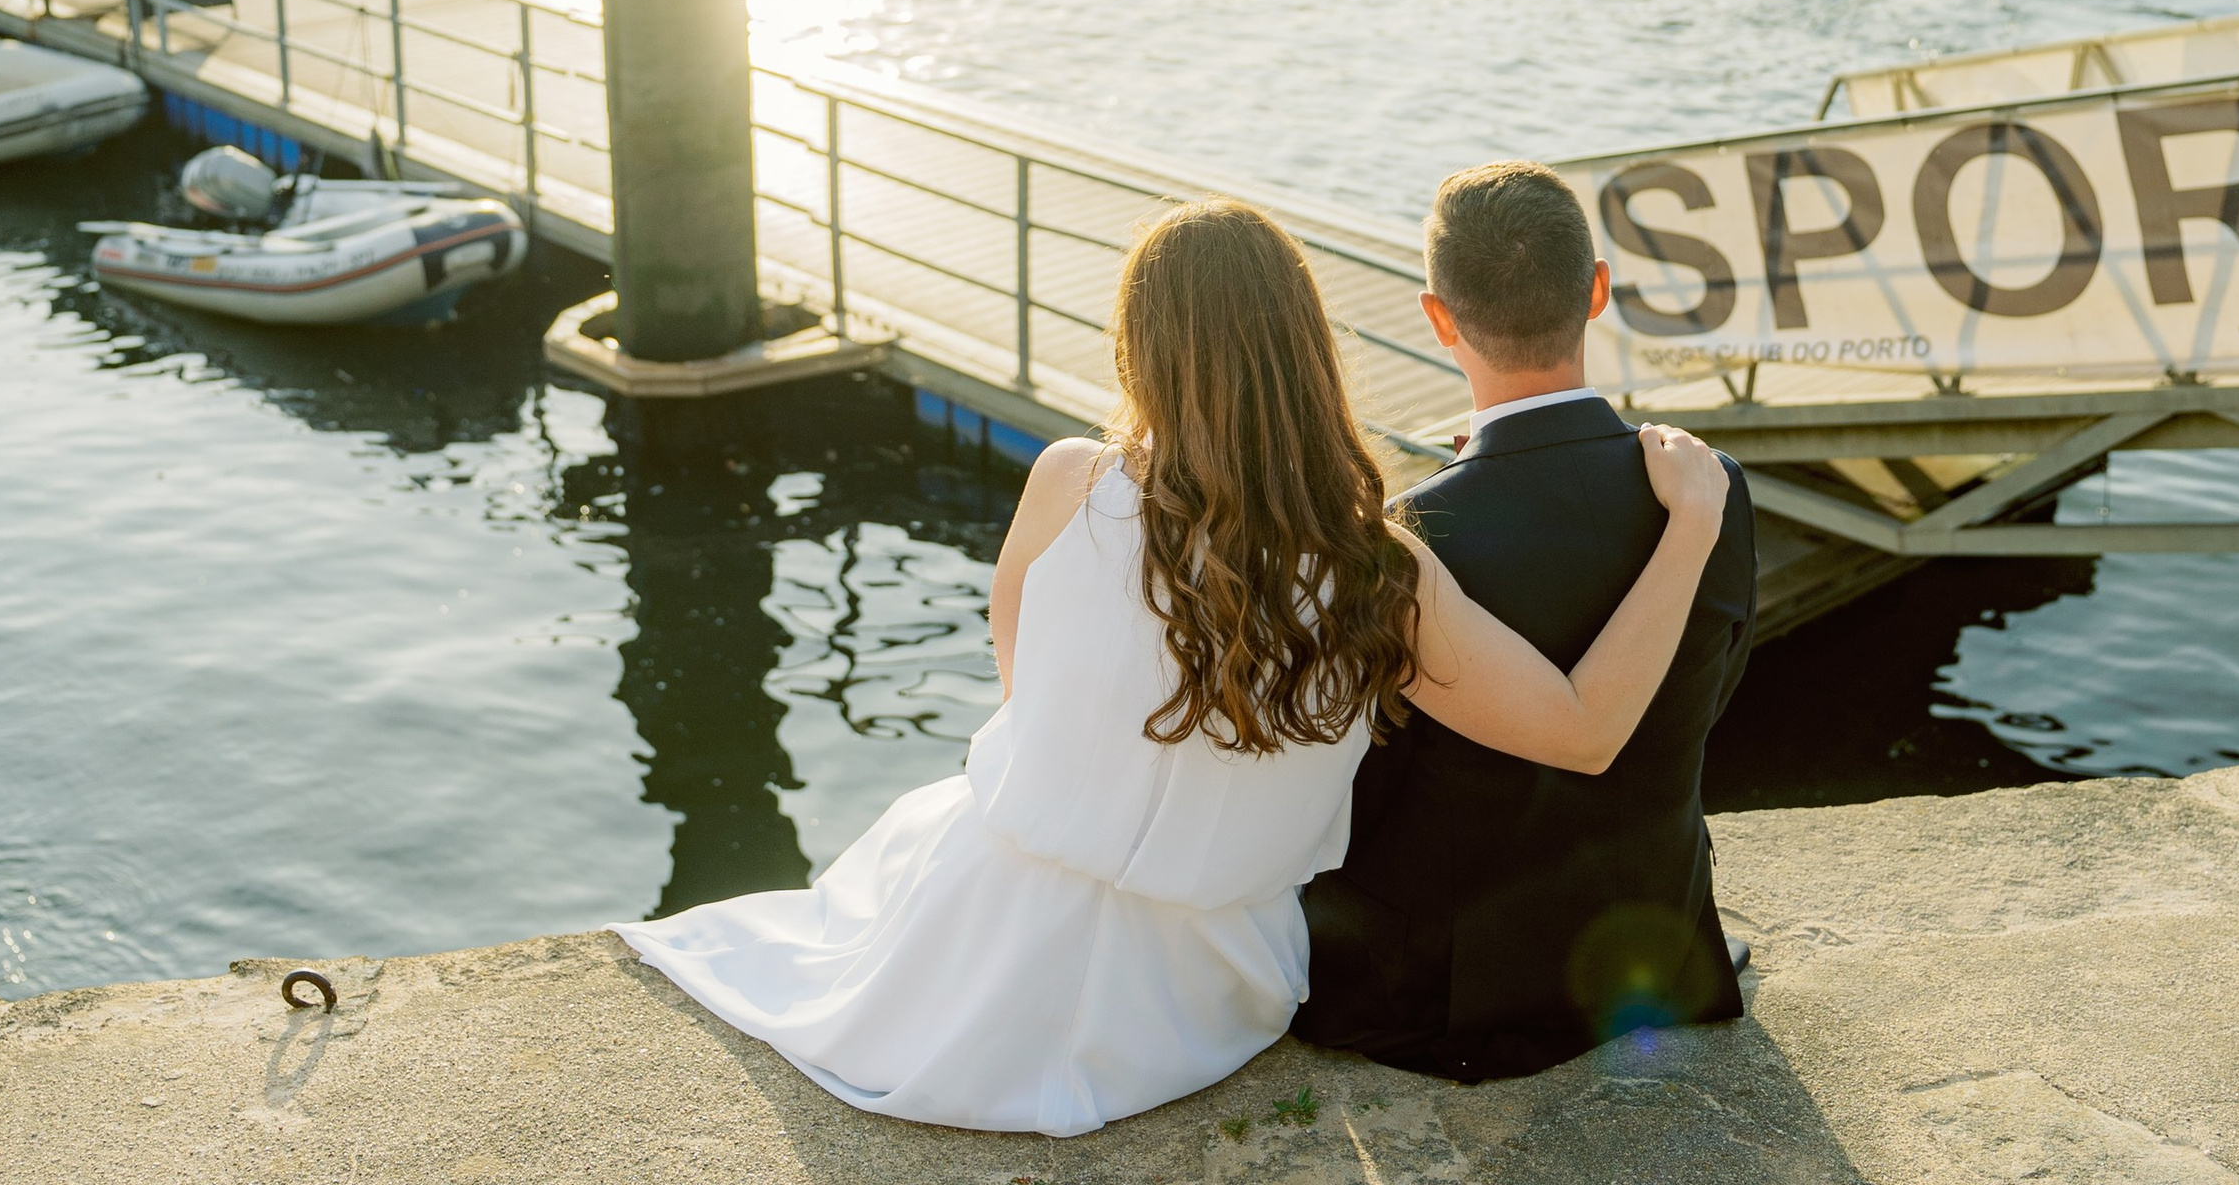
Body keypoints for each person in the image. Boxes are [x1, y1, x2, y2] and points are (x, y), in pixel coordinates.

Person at [616, 195, 1730, 1137]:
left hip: (973, 944)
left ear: (1137, 350)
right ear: (1308, 349)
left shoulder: (1068, 481)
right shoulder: (1380, 569)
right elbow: (1586, 731)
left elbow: (1026, 693)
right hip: (1199, 999)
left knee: (883, 867)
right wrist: (1690, 525)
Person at [1296, 159, 1758, 1084]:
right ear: (1597, 291)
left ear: (1439, 317)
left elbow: (1369, 773)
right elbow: (1703, 697)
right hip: (1659, 946)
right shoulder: (1710, 489)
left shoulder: (1414, 539)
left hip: (1458, 993)